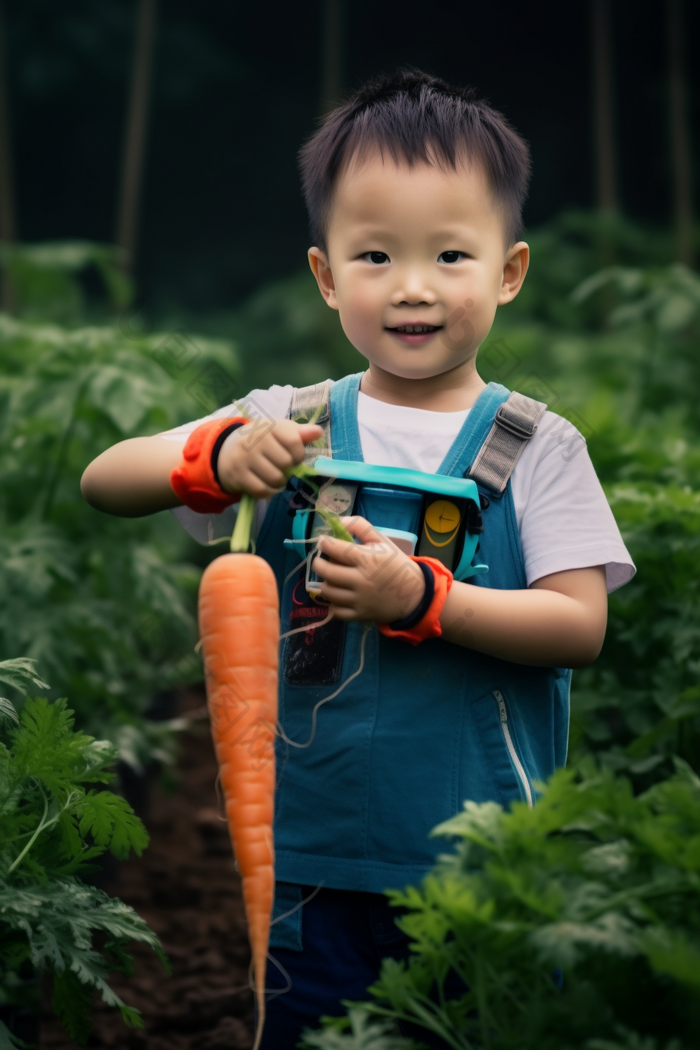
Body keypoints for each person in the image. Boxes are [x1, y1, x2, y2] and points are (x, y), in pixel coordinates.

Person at [81, 67, 636, 1048]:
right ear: (327, 275)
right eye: (374, 255)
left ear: (507, 273)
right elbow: (105, 479)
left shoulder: (535, 446)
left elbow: (576, 626)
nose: (412, 286)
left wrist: (423, 597)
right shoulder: (287, 423)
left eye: (449, 255)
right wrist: (209, 460)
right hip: (307, 863)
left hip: (485, 866)